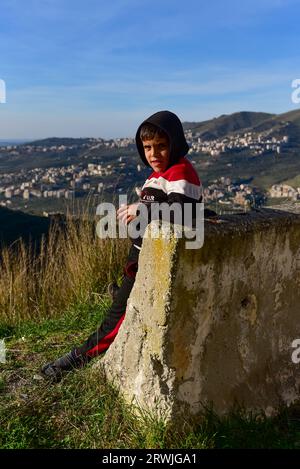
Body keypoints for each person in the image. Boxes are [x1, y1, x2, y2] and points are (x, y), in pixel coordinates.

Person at [40, 110, 205, 382]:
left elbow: (184, 212)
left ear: (175, 144)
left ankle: (73, 360)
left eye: (161, 146)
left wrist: (142, 208)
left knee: (113, 320)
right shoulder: (160, 174)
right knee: (121, 300)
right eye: (148, 147)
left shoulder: (181, 171)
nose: (154, 154)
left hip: (152, 260)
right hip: (142, 256)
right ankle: (124, 297)